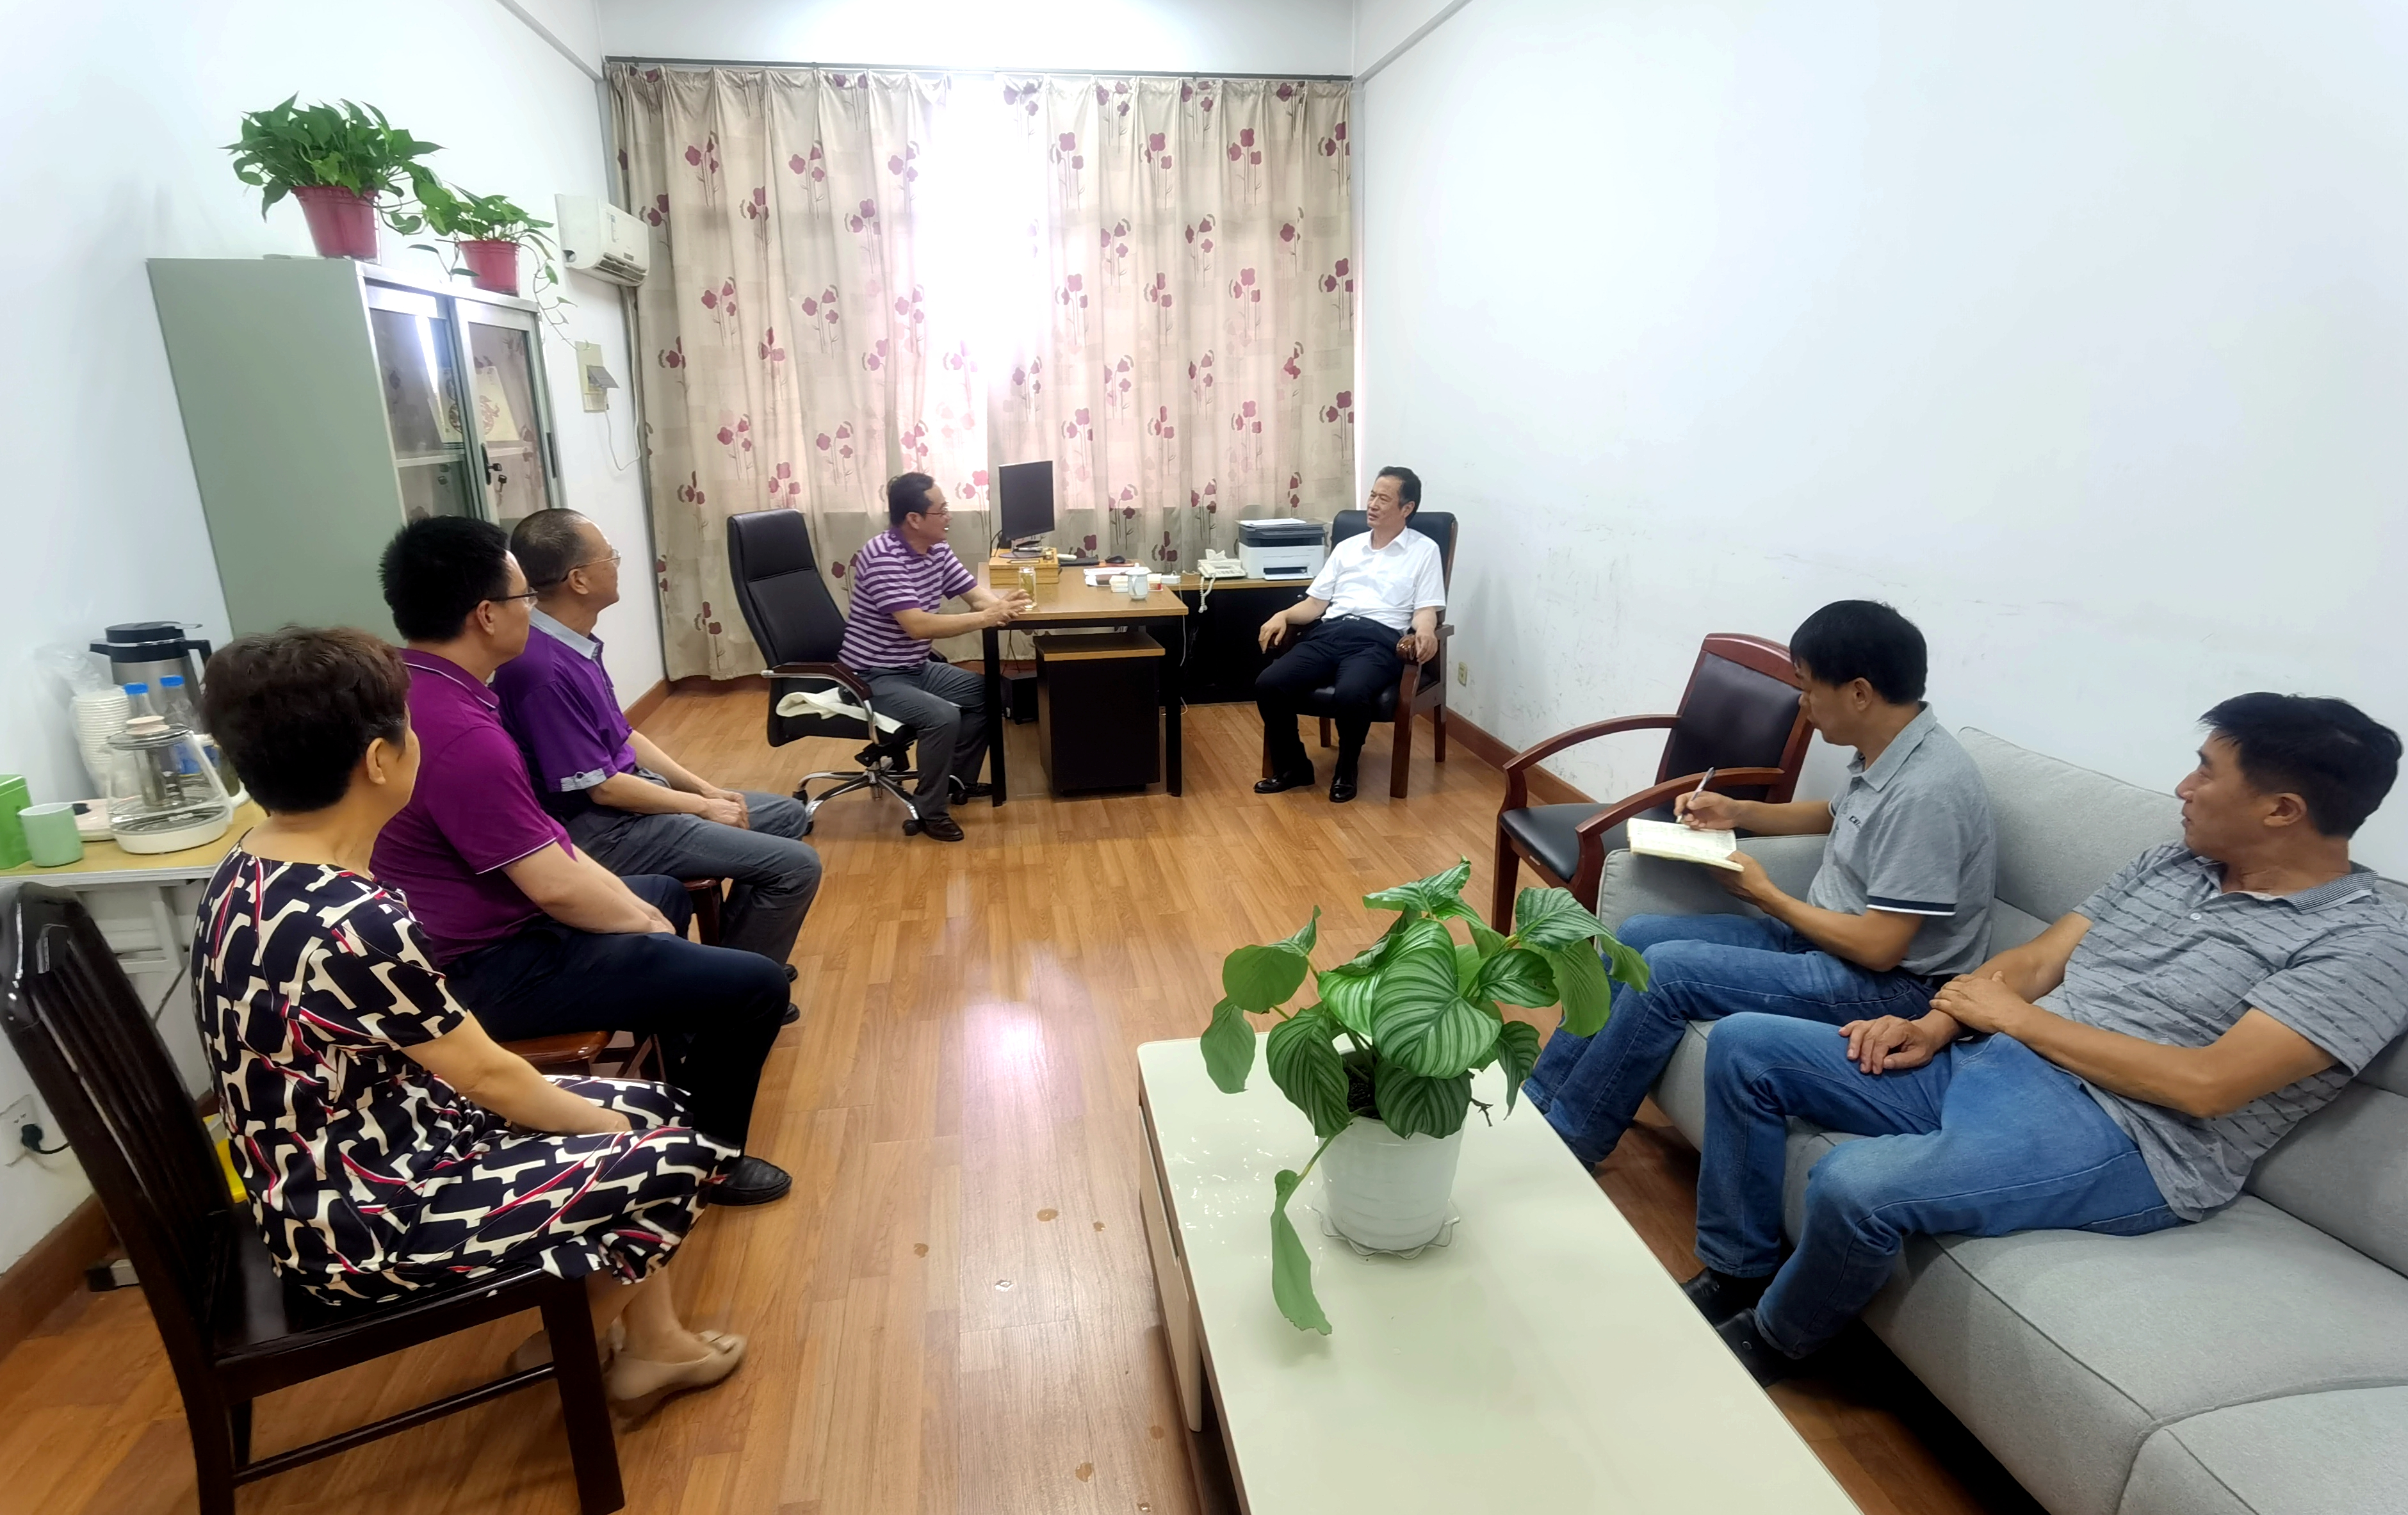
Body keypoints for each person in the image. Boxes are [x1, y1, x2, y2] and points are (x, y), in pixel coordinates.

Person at [1689, 695, 2408, 1385]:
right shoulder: (2170, 863)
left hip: (2131, 1136)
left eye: (2206, 771)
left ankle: (1774, 1340)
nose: (2183, 788)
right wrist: (1935, 1024)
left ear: (2282, 810)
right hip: (1992, 1059)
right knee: (1748, 1046)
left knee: (1856, 1185)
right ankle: (1736, 1270)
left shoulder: (2366, 941)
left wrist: (2015, 1019)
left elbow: (2208, 1085)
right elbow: (2037, 962)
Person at [193, 626, 745, 1411]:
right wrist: (613, 1133)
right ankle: (563, 1350)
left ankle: (655, 1345)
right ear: (380, 760)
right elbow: (489, 1075)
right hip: (367, 1222)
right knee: (671, 1154)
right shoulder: (352, 921)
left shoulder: (248, 866)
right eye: (407, 724)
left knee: (658, 1107)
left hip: (341, 1164)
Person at [371, 517, 793, 1206]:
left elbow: (546, 837)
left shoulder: (415, 684)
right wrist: (646, 926)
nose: (532, 610)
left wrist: (644, 912)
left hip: (484, 930)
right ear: (486, 615)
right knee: (757, 986)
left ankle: (679, 1082)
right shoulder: (462, 733)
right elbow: (555, 886)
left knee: (663, 893)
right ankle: (708, 1160)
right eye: (523, 598)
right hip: (482, 969)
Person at [1524, 601, 1997, 1167]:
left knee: (1670, 971)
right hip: (1824, 943)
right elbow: (1832, 815)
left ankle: (1567, 1141)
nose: (1802, 703)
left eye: (1809, 688)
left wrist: (1767, 895)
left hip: (1890, 985)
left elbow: (1881, 947)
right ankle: (1538, 1102)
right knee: (1637, 935)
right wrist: (1737, 811)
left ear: (1860, 693)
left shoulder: (1927, 793)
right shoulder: (1890, 751)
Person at [497, 508, 822, 968]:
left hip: (629, 804)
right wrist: (702, 807)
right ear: (579, 580)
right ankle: (734, 986)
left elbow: (625, 735)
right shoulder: (542, 670)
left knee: (786, 815)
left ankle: (735, 968)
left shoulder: (572, 642)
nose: (616, 564)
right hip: (602, 831)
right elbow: (603, 789)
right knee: (796, 867)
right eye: (609, 556)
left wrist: (706, 790)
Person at [836, 472, 1031, 843]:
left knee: (990, 692)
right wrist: (988, 617)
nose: (948, 517)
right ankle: (930, 810)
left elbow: (974, 595)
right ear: (914, 519)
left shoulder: (936, 548)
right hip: (870, 675)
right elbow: (918, 626)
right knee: (941, 716)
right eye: (941, 511)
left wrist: (1002, 606)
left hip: (914, 667)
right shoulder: (882, 556)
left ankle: (956, 781)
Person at [1252, 466, 1445, 804]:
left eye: (1383, 499)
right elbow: (1315, 604)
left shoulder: (1424, 551)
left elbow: (1426, 609)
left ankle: (1347, 768)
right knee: (1270, 684)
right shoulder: (1347, 548)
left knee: (1351, 692)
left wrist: (1426, 631)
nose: (1372, 504)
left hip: (1379, 640)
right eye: (1372, 495)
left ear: (1407, 508)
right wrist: (1283, 615)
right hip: (1331, 632)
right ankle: (1295, 767)